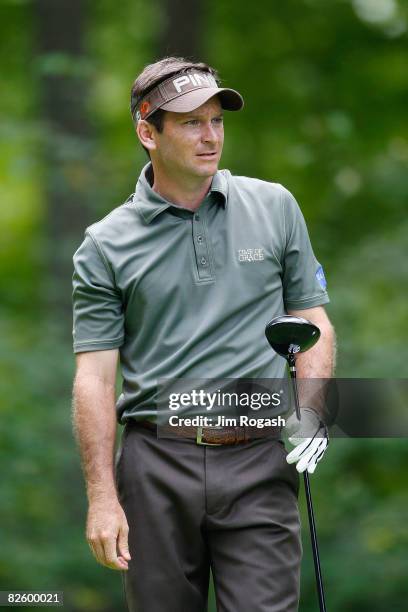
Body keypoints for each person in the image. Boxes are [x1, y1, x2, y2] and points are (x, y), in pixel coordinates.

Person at [72, 56, 336, 612]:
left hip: (259, 455)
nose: (210, 136)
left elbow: (313, 322)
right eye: (191, 122)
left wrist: (310, 411)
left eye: (217, 120)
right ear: (148, 132)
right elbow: (95, 378)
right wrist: (102, 498)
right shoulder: (104, 244)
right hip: (156, 464)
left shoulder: (274, 206)